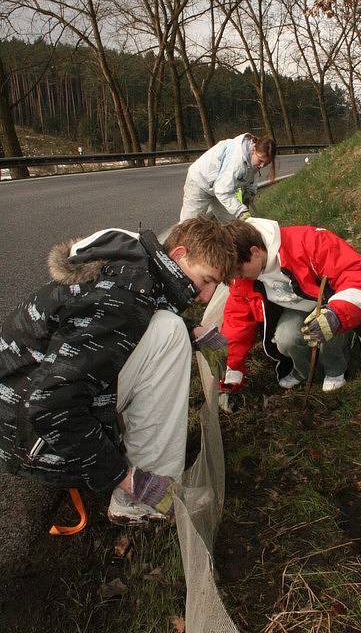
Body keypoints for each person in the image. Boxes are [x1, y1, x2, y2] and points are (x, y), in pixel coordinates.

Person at [0, 217, 236, 524]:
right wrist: (125, 479)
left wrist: (194, 330)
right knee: (169, 334)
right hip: (28, 435)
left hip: (18, 402)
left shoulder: (132, 267)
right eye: (206, 280)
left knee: (172, 329)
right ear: (178, 255)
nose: (206, 296)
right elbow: (49, 407)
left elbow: (112, 330)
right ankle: (139, 500)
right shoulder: (124, 296)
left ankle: (138, 465)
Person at [219, 218, 361, 394]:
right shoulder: (241, 276)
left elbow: (358, 273)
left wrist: (336, 315)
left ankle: (335, 369)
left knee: (330, 331)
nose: (239, 278)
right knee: (285, 338)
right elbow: (237, 321)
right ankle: (305, 371)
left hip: (331, 303)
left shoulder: (308, 241)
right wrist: (232, 368)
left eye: (240, 271)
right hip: (296, 307)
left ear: (255, 252)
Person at [179, 133, 276, 223]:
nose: (262, 166)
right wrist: (241, 211)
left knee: (233, 225)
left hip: (220, 186)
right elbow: (222, 191)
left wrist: (249, 193)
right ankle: (178, 241)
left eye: (266, 163)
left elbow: (249, 177)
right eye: (260, 161)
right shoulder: (237, 161)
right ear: (253, 150)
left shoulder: (253, 158)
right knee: (190, 225)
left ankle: (232, 241)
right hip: (200, 181)